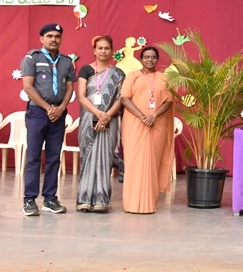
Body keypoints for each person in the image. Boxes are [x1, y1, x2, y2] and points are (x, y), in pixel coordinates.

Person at [20, 23, 77, 216]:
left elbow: (70, 88)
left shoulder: (67, 61)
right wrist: (48, 108)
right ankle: (29, 199)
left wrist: (61, 108)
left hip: (58, 114)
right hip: (38, 113)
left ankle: (50, 199)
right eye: (50, 36)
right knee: (34, 157)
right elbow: (28, 87)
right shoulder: (32, 58)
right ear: (42, 39)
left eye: (57, 36)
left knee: (54, 157)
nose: (54, 39)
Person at [120, 46, 174, 214]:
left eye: (153, 57)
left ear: (157, 59)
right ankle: (131, 202)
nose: (150, 60)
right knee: (134, 162)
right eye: (146, 57)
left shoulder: (163, 78)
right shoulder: (133, 76)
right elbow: (124, 99)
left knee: (153, 161)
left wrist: (154, 116)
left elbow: (168, 101)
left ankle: (149, 201)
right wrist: (142, 116)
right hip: (134, 123)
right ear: (141, 59)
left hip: (157, 123)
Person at [76, 36, 126, 212]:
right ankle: (84, 199)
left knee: (105, 158)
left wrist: (106, 116)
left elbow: (121, 99)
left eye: (106, 48)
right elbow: (81, 96)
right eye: (100, 48)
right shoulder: (85, 70)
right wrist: (98, 114)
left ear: (111, 50)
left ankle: (101, 200)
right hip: (89, 120)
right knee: (88, 157)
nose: (103, 51)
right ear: (94, 50)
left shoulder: (118, 74)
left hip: (109, 121)